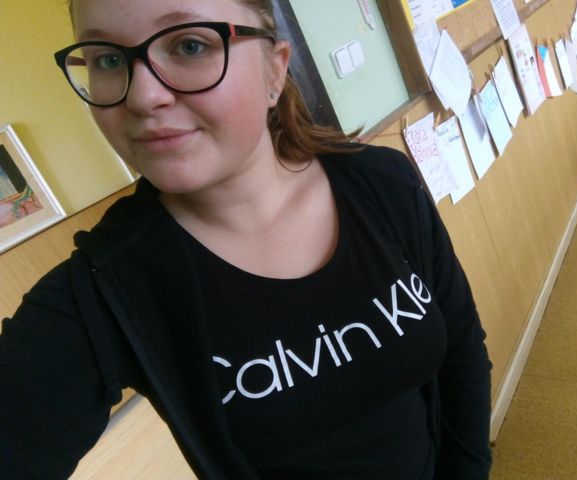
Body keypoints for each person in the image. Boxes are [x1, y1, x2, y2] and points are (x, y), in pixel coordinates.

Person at [0, 0, 492, 478]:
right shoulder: (101, 292)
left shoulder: (382, 182)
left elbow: (463, 351)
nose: (143, 97)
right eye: (108, 60)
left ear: (274, 69)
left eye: (190, 46)